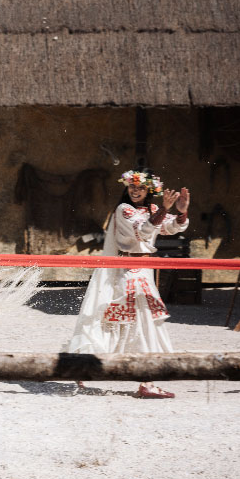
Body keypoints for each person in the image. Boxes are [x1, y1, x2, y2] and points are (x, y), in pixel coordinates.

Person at [66, 167, 191, 398]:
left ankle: (87, 366)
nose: (135, 190)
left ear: (148, 190)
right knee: (137, 322)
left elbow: (170, 227)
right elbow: (143, 232)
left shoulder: (152, 209)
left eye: (141, 187)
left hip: (143, 270)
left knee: (128, 322)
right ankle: (145, 381)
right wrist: (164, 208)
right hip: (129, 272)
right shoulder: (124, 210)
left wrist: (181, 213)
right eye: (132, 186)